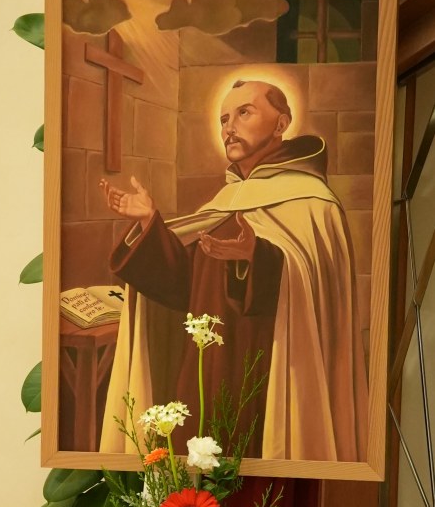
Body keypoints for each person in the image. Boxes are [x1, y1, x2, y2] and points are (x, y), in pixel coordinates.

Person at [99, 79, 368, 464]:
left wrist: (257, 256)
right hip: (205, 370)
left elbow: (311, 288)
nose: (230, 127)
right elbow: (183, 284)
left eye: (244, 113)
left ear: (281, 124)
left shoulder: (314, 202)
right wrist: (149, 224)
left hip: (271, 373)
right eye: (224, 118)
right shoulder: (225, 200)